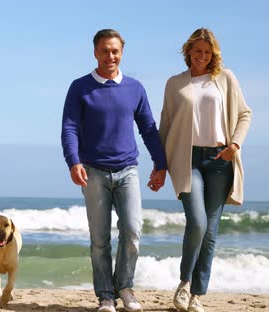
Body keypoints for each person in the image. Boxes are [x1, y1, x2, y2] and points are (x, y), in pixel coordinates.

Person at [61, 29, 167, 312]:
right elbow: (69, 127)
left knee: (132, 230)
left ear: (121, 53)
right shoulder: (80, 87)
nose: (110, 56)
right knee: (100, 240)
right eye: (105, 51)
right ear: (95, 52)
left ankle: (125, 287)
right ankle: (106, 296)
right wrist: (74, 161)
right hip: (93, 171)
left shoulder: (135, 88)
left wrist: (161, 163)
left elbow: (148, 128)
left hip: (127, 170)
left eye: (115, 51)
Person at [159, 28, 252, 312]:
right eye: (197, 51)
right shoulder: (175, 83)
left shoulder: (225, 78)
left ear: (213, 54)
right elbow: (165, 123)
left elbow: (244, 114)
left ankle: (198, 295)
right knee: (197, 223)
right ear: (188, 52)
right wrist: (160, 166)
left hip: (220, 159)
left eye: (207, 52)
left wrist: (234, 145)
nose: (202, 56)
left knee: (210, 230)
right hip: (187, 159)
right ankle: (184, 284)